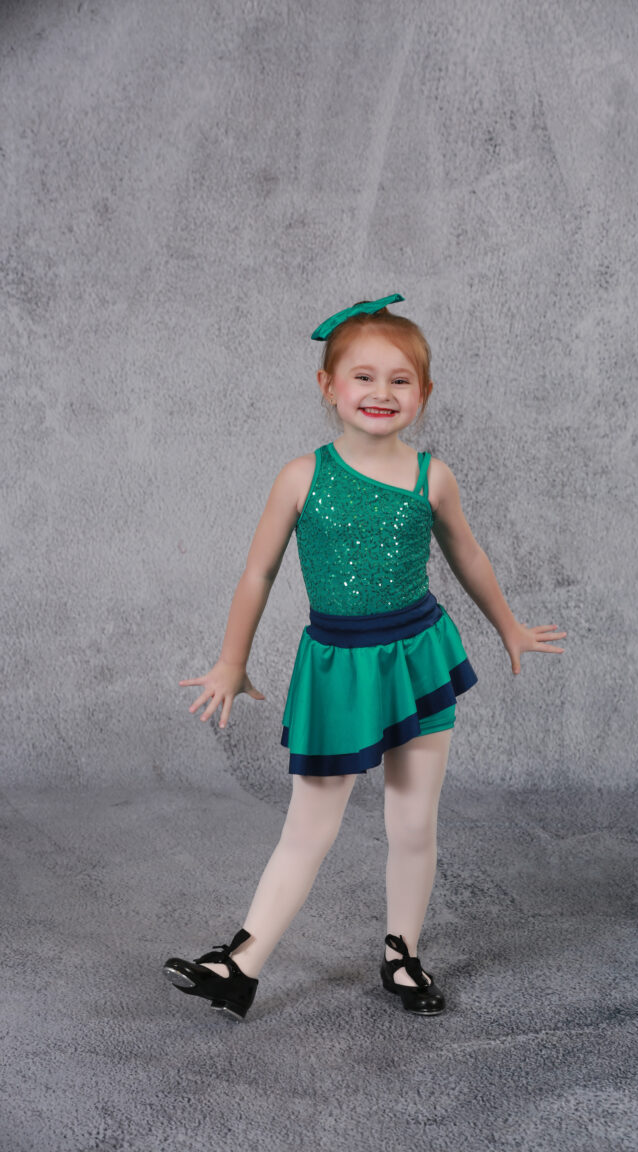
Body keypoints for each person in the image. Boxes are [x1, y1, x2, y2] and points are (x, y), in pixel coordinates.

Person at [163, 293, 566, 1022]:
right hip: (338, 671)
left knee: (413, 822)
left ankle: (402, 954)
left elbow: (468, 556)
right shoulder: (300, 477)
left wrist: (508, 627)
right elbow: (257, 574)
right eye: (364, 376)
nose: (382, 392)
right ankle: (240, 966)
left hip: (417, 658)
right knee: (307, 827)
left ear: (425, 392)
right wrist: (231, 662)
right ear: (328, 386)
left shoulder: (432, 476)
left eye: (400, 379)